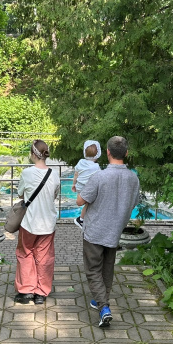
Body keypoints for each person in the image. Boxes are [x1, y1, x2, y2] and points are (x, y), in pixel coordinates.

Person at [76, 136, 139, 327]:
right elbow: (134, 202)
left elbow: (80, 201)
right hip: (114, 230)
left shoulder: (99, 177)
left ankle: (104, 307)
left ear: (108, 152)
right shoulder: (133, 178)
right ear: (126, 153)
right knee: (107, 267)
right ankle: (99, 300)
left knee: (93, 269)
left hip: (95, 230)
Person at [14, 139, 61, 305]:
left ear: (33, 154)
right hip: (48, 223)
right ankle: (41, 293)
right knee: (45, 257)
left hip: (29, 222)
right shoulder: (55, 175)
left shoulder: (27, 174)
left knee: (25, 253)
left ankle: (26, 290)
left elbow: (20, 194)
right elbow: (53, 196)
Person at [71, 140, 101, 229]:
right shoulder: (96, 167)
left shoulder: (80, 162)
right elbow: (98, 178)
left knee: (87, 203)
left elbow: (76, 174)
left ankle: (82, 219)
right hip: (88, 188)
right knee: (89, 203)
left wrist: (73, 184)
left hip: (80, 187)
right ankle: (81, 219)